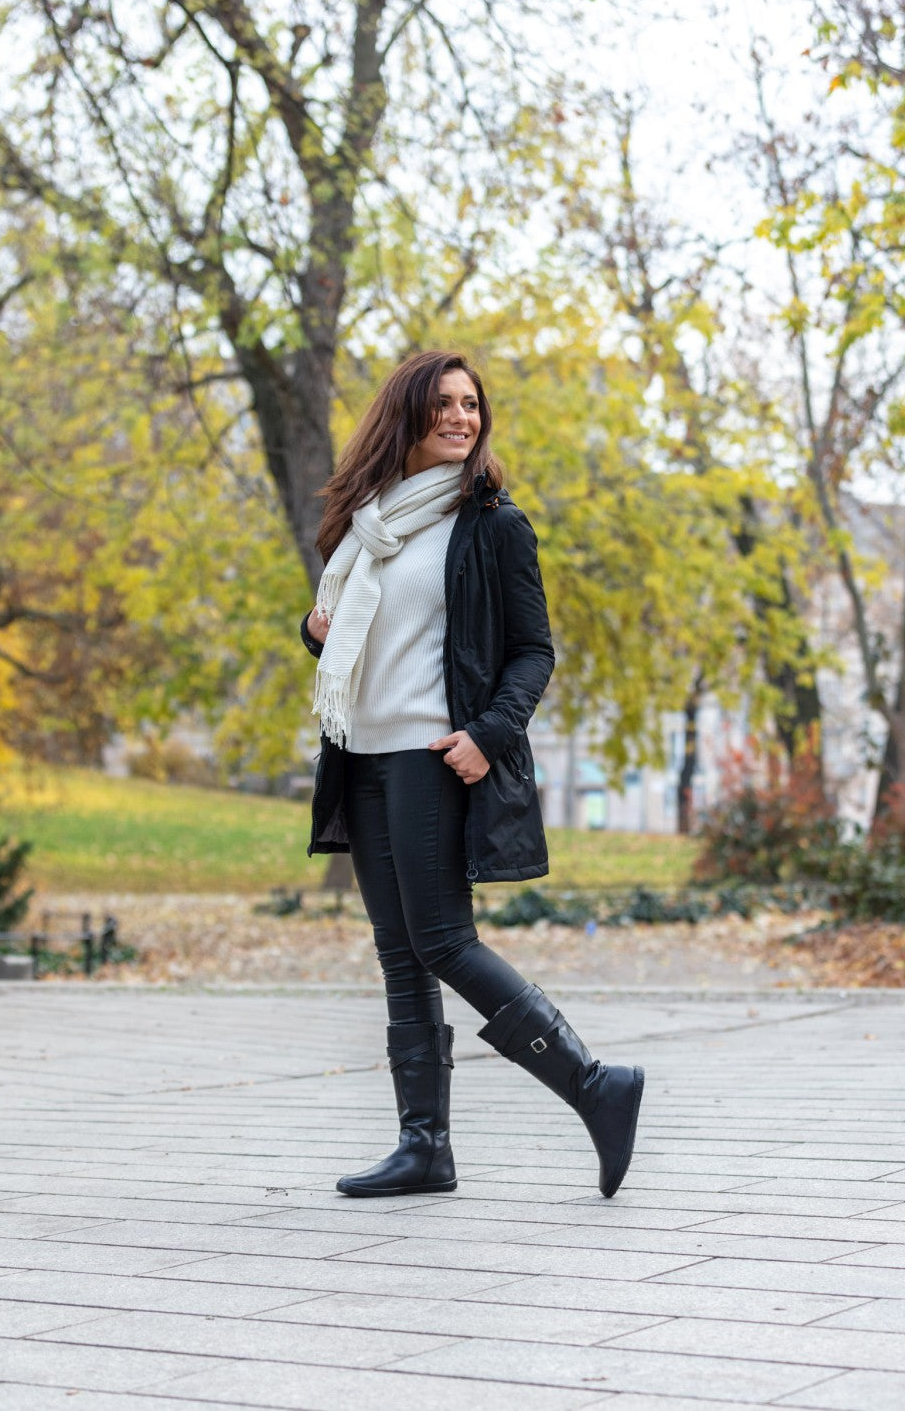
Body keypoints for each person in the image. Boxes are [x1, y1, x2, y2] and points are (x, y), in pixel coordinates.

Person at [299, 349, 644, 1200]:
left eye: (471, 405)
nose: (461, 418)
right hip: (363, 755)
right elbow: (356, 637)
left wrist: (489, 734)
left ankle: (593, 1083)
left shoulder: (491, 524)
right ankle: (425, 1146)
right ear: (406, 416)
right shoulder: (369, 523)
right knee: (399, 953)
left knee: (444, 941)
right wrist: (314, 631)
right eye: (444, 405)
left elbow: (534, 650)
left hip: (431, 758)